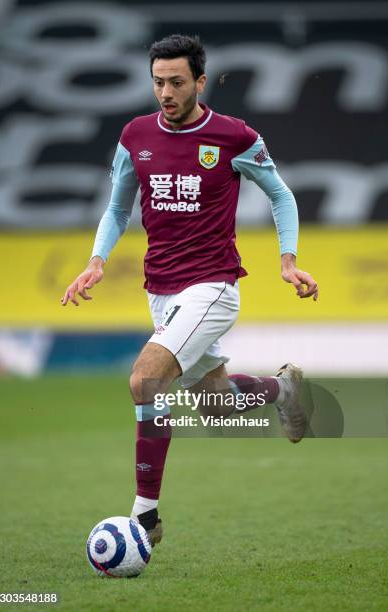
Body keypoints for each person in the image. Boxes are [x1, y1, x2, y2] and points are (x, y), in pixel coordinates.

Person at [62, 34, 318, 547]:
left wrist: (287, 261)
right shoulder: (135, 135)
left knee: (144, 381)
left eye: (177, 82)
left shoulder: (233, 137)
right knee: (216, 404)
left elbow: (281, 195)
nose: (166, 92)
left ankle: (145, 518)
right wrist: (96, 261)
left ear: (200, 82)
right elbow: (116, 210)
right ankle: (281, 389)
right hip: (160, 289)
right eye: (158, 82)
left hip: (213, 287)